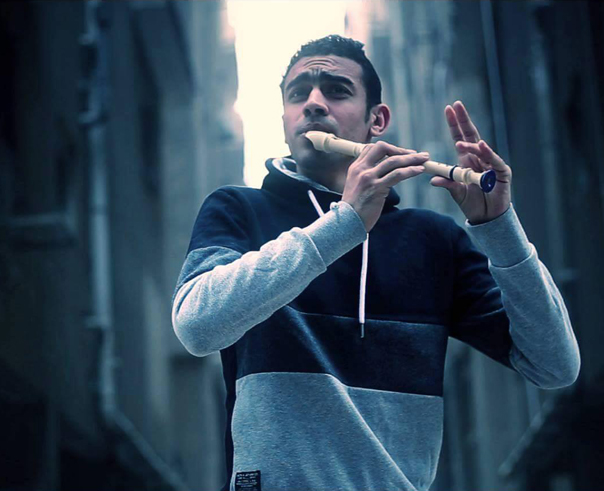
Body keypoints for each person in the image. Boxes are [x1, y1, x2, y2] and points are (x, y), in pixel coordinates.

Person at [171, 35, 580, 491]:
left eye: (337, 90)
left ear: (377, 121)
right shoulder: (237, 209)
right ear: (284, 119)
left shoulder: (434, 241)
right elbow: (196, 327)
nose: (313, 103)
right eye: (298, 93)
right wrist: (344, 223)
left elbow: (554, 365)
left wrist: (500, 227)